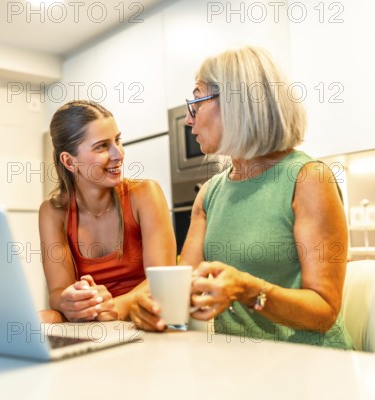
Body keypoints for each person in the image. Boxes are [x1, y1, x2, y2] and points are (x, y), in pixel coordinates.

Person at [130, 46, 353, 349]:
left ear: (237, 102)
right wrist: (147, 308)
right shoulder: (209, 194)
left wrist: (249, 290)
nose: (188, 120)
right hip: (237, 366)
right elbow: (185, 293)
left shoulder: (309, 178)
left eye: (196, 101)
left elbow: (323, 312)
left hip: (312, 367)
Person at [39, 100, 176, 323]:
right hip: (93, 318)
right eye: (102, 146)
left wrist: (116, 306)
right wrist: (70, 302)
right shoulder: (53, 211)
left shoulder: (144, 194)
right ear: (69, 161)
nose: (118, 154)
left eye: (117, 140)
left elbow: (162, 280)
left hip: (142, 317)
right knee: (43, 319)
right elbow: (57, 291)